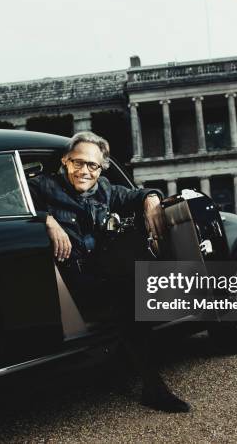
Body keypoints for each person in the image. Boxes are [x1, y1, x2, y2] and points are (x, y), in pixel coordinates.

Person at [28, 131, 190, 413]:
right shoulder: (42, 187)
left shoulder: (105, 189)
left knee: (132, 282)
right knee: (131, 298)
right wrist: (46, 219)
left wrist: (151, 199)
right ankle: (152, 386)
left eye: (93, 165)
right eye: (78, 163)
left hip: (100, 276)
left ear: (101, 168)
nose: (85, 171)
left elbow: (137, 194)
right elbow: (5, 205)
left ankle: (135, 374)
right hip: (64, 282)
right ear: (66, 160)